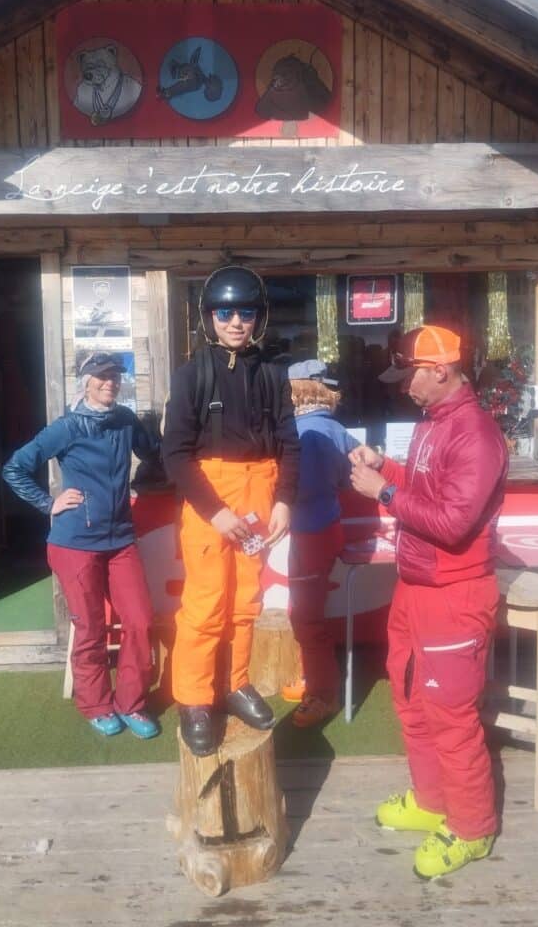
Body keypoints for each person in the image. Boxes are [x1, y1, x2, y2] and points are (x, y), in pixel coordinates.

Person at [349, 325, 508, 880]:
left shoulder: (477, 435)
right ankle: (432, 800)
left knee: (452, 717)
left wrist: (383, 492)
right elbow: (425, 490)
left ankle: (473, 827)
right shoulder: (431, 424)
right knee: (411, 700)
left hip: (455, 593)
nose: (403, 386)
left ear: (440, 370)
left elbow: (453, 523)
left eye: (410, 375)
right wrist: (385, 467)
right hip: (415, 586)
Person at [162, 265, 300, 756]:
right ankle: (195, 699)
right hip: (209, 498)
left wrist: (284, 499)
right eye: (225, 313)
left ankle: (235, 683)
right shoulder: (192, 375)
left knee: (246, 602)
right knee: (205, 605)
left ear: (259, 317)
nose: (236, 322)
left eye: (245, 312)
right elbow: (174, 454)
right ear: (209, 318)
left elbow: (289, 444)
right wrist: (215, 511)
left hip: (259, 494)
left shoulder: (272, 374)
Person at [2, 351, 160, 740]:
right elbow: (15, 468)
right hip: (75, 544)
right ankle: (96, 705)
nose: (110, 382)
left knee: (140, 621)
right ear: (86, 382)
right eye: (102, 376)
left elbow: (153, 453)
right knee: (91, 627)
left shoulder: (125, 420)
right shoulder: (67, 427)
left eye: (115, 376)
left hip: (120, 539)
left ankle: (131, 702)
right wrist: (48, 503)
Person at [284, 359, 361, 728]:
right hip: (327, 527)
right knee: (310, 612)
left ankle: (323, 694)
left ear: (298, 390)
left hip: (309, 532)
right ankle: (315, 677)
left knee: (305, 617)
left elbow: (302, 490)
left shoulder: (304, 432)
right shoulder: (334, 427)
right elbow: (350, 477)